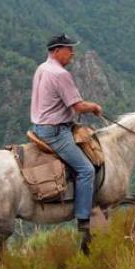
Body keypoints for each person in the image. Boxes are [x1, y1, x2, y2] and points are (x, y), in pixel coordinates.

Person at [30, 33, 103, 252]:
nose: (73, 53)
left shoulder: (42, 68)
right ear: (57, 50)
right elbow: (78, 106)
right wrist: (95, 107)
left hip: (39, 126)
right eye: (69, 49)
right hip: (55, 132)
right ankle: (83, 221)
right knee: (87, 169)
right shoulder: (60, 74)